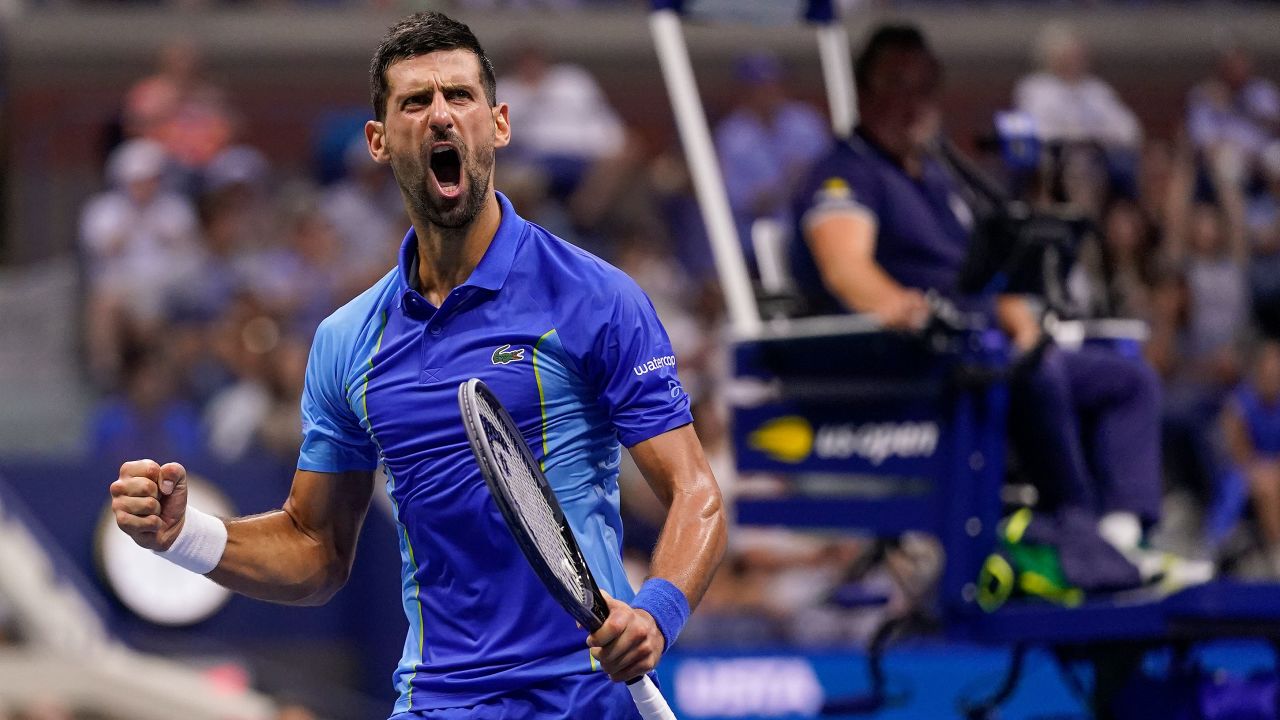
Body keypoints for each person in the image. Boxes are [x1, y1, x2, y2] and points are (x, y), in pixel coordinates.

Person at [109, 12, 726, 720]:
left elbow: (694, 490)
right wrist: (183, 536)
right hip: (439, 700)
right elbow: (315, 548)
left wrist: (657, 613)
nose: (440, 116)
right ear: (378, 140)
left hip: (583, 695)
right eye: (415, 101)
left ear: (498, 124)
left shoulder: (595, 298)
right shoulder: (347, 340)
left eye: (459, 96)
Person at [789, 24, 1200, 591]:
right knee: (1039, 372)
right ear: (865, 91)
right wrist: (903, 307)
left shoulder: (937, 177)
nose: (914, 101)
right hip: (915, 368)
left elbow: (986, 269)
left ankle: (1125, 541)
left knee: (1126, 380)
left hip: (985, 350)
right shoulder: (847, 172)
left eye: (925, 86)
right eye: (897, 84)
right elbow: (846, 268)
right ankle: (1077, 533)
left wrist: (1021, 320)